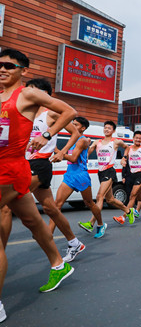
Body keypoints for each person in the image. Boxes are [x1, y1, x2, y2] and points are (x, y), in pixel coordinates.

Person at [0, 49, 77, 321]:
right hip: (7, 169)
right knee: (33, 221)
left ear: (22, 70)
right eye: (0, 65)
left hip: (11, 169)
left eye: (9, 65)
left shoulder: (27, 94)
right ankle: (58, 263)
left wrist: (47, 135)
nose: (3, 69)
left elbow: (69, 111)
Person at [0, 78, 83, 264]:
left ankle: (2, 256)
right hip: (24, 164)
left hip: (40, 165)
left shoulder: (50, 113)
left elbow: (75, 132)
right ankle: (74, 242)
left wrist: (60, 150)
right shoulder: (25, 112)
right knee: (50, 209)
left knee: (5, 206)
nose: (26, 93)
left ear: (43, 94)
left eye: (31, 90)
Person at [50, 117, 106, 239]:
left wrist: (57, 151)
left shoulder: (83, 140)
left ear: (83, 128)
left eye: (75, 124)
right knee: (57, 205)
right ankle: (48, 234)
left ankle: (101, 224)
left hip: (81, 176)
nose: (72, 126)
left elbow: (74, 158)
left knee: (89, 203)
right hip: (69, 175)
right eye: (72, 124)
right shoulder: (72, 139)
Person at [81, 121, 134, 229]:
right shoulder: (97, 142)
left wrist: (124, 158)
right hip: (100, 172)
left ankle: (91, 223)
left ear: (113, 130)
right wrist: (83, 158)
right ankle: (128, 211)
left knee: (99, 196)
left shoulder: (116, 142)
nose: (106, 130)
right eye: (105, 128)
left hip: (110, 171)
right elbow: (88, 151)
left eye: (109, 128)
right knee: (110, 199)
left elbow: (127, 148)